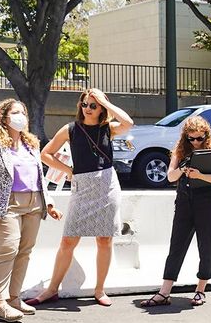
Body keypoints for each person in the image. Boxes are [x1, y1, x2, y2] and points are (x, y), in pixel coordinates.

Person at [30, 89, 134, 307]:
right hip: (82, 187)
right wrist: (68, 171)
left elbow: (128, 123)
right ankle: (51, 289)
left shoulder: (108, 129)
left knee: (104, 240)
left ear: (101, 109)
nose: (88, 109)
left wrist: (105, 102)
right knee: (68, 240)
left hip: (107, 185)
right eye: (85, 104)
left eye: (93, 106)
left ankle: (99, 289)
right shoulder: (70, 129)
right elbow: (45, 154)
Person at [0, 99, 61, 322]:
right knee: (7, 250)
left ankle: (14, 298)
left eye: (23, 112)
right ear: (3, 117)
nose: (21, 117)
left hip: (34, 202)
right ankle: (0, 302)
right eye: (15, 112)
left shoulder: (31, 143)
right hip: (8, 203)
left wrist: (48, 203)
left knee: (24, 251)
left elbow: (39, 176)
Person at [139, 117, 211, 308]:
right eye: (191, 139)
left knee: (206, 245)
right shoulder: (181, 151)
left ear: (206, 135)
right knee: (177, 245)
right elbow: (170, 177)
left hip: (207, 201)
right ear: (185, 137)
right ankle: (164, 292)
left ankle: (200, 289)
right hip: (184, 201)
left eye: (199, 138)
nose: (196, 142)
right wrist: (182, 168)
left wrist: (200, 175)